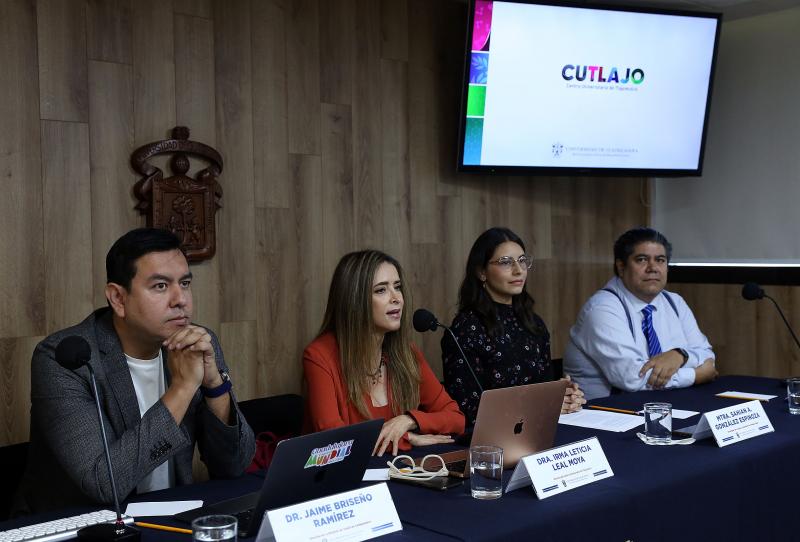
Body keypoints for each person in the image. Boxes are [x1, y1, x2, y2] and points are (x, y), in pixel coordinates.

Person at [16, 228, 256, 514]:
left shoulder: (196, 344)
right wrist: (181, 389)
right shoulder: (66, 358)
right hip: (81, 524)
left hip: (170, 515)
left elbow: (234, 465)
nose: (180, 299)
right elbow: (104, 484)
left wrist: (215, 385)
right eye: (160, 286)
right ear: (118, 298)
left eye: (185, 283)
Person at [303, 250, 465, 456]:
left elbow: (456, 418)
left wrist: (409, 420)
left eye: (397, 287)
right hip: (342, 474)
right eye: (381, 290)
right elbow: (333, 440)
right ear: (354, 300)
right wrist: (407, 438)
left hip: (397, 470)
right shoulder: (319, 356)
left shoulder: (406, 353)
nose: (396, 298)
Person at [442, 227, 585, 427]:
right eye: (506, 262)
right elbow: (469, 408)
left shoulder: (533, 322)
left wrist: (565, 395)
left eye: (522, 260)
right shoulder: (466, 328)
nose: (519, 270)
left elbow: (544, 389)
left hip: (541, 428)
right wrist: (545, 405)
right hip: (493, 436)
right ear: (481, 272)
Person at [564, 227, 717, 400]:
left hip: (663, 403)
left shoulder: (674, 302)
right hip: (606, 410)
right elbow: (632, 379)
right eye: (642, 259)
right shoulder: (601, 309)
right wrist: (696, 375)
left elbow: (707, 356)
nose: (653, 268)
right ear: (621, 267)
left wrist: (680, 355)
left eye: (660, 260)